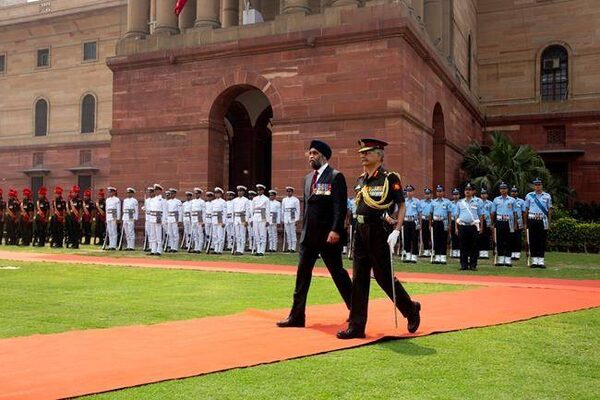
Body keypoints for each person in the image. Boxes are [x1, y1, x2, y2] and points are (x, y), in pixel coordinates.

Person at [337, 138, 421, 339]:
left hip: (378, 230)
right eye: (361, 152)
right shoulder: (362, 180)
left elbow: (401, 205)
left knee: (383, 278)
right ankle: (356, 326)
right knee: (359, 278)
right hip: (361, 230)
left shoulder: (389, 178)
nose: (363, 155)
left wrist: (397, 230)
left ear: (379, 155)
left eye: (367, 152)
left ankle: (410, 309)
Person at [277, 139, 353, 329]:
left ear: (324, 156)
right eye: (310, 153)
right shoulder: (307, 179)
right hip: (308, 236)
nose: (311, 156)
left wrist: (336, 229)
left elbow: (339, 206)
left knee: (338, 273)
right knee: (302, 274)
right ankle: (296, 316)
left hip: (328, 236)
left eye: (315, 153)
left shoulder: (335, 176)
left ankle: (356, 309)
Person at [454, 183, 484, 271]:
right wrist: (456, 228)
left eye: (469, 190)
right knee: (463, 246)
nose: (467, 191)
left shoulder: (477, 202)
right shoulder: (460, 202)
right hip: (463, 226)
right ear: (464, 192)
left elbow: (481, 215)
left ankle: (473, 265)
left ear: (472, 191)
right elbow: (456, 216)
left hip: (473, 226)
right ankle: (464, 265)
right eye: (466, 190)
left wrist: (481, 227)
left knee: (474, 246)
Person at [524, 178, 553, 268]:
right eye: (536, 185)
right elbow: (526, 210)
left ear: (542, 185)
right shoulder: (529, 196)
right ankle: (534, 261)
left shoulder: (547, 196)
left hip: (542, 220)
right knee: (533, 240)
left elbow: (550, 210)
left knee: (542, 240)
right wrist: (525, 223)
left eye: (539, 185)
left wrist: (549, 223)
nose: (537, 186)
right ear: (534, 186)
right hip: (532, 219)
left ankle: (541, 261)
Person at [492, 182, 518, 266]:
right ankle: (500, 259)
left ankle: (507, 259)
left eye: (504, 188)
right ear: (499, 190)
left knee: (508, 240)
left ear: (507, 190)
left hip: (509, 222)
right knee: (499, 240)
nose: (503, 190)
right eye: (501, 189)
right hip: (499, 221)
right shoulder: (496, 200)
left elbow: (515, 213)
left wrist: (515, 224)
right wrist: (492, 223)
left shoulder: (512, 200)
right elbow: (493, 213)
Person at [431, 184, 452, 264]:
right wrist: (430, 224)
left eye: (441, 191)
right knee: (436, 238)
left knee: (443, 239)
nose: (439, 193)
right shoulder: (433, 202)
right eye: (438, 191)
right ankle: (437, 256)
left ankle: (443, 256)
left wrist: (449, 224)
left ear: (443, 192)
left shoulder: (447, 202)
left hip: (444, 222)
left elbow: (449, 214)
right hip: (436, 221)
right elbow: (431, 213)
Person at [402, 185, 420, 263]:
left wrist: (419, 223)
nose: (409, 193)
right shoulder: (404, 201)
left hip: (414, 221)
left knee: (414, 238)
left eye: (410, 191)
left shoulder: (417, 201)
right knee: (406, 238)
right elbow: (402, 212)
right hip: (406, 221)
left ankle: (414, 255)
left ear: (413, 192)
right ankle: (408, 254)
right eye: (407, 191)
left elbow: (419, 213)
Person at [232, 185, 252, 255]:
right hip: (236, 217)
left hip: (243, 216)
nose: (239, 192)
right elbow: (233, 211)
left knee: (242, 234)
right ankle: (238, 249)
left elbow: (247, 211)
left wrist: (246, 220)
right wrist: (233, 220)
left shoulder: (246, 200)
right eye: (238, 191)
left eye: (241, 191)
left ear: (243, 192)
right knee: (237, 235)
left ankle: (241, 250)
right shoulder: (234, 200)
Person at [251, 184, 269, 256]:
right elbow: (252, 210)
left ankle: (262, 251)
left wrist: (268, 220)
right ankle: (258, 250)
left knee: (262, 234)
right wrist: (252, 219)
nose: (259, 191)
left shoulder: (266, 199)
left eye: (260, 190)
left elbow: (268, 210)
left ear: (263, 191)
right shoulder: (254, 199)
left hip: (263, 215)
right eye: (258, 190)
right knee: (256, 234)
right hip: (256, 216)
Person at [281, 186, 301, 252]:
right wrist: (282, 219)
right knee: (288, 233)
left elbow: (298, 210)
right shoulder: (284, 200)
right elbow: (282, 210)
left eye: (290, 191)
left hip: (293, 217)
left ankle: (293, 248)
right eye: (287, 191)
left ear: (292, 192)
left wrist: (297, 219)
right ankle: (289, 247)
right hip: (286, 217)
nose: (288, 193)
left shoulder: (296, 200)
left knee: (293, 233)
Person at [210, 187, 227, 254]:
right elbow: (211, 212)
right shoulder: (213, 202)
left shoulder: (223, 202)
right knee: (215, 235)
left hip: (220, 218)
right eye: (215, 193)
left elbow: (225, 213)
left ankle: (220, 249)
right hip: (214, 219)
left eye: (218, 193)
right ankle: (215, 249)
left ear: (220, 194)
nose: (216, 194)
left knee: (220, 235)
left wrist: (224, 222)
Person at [510, 186, 524, 261]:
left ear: (517, 193)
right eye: (512, 192)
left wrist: (524, 223)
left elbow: (524, 212)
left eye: (515, 192)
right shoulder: (508, 200)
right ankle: (512, 253)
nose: (513, 193)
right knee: (511, 238)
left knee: (517, 238)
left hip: (519, 221)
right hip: (510, 221)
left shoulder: (521, 201)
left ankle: (517, 254)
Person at [478, 188, 493, 259]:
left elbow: (492, 214)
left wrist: (491, 223)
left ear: (487, 195)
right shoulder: (478, 202)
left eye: (484, 194)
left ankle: (485, 253)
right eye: (482, 194)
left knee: (486, 237)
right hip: (479, 222)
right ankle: (480, 252)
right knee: (479, 237)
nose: (483, 195)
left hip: (487, 221)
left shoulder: (490, 203)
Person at [418, 188, 433, 257]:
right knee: (424, 235)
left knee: (431, 235)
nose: (427, 195)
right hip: (423, 220)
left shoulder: (433, 202)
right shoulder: (421, 202)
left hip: (432, 220)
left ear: (431, 194)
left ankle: (432, 250)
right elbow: (419, 212)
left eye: (428, 194)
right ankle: (426, 250)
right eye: (426, 194)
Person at [190, 187, 206, 253]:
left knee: (200, 233)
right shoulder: (192, 201)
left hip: (199, 218)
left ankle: (199, 248)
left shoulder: (202, 202)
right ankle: (196, 247)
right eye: (195, 193)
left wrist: (203, 221)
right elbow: (191, 211)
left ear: (200, 194)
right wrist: (191, 220)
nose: (196, 195)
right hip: (193, 218)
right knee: (195, 234)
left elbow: (204, 212)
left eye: (197, 193)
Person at [449, 188, 461, 258]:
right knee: (453, 236)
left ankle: (459, 250)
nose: (455, 196)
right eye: (454, 194)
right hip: (453, 220)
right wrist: (449, 223)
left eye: (457, 194)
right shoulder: (451, 203)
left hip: (460, 221)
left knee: (460, 236)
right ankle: (454, 250)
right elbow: (449, 213)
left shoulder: (462, 203)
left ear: (459, 195)